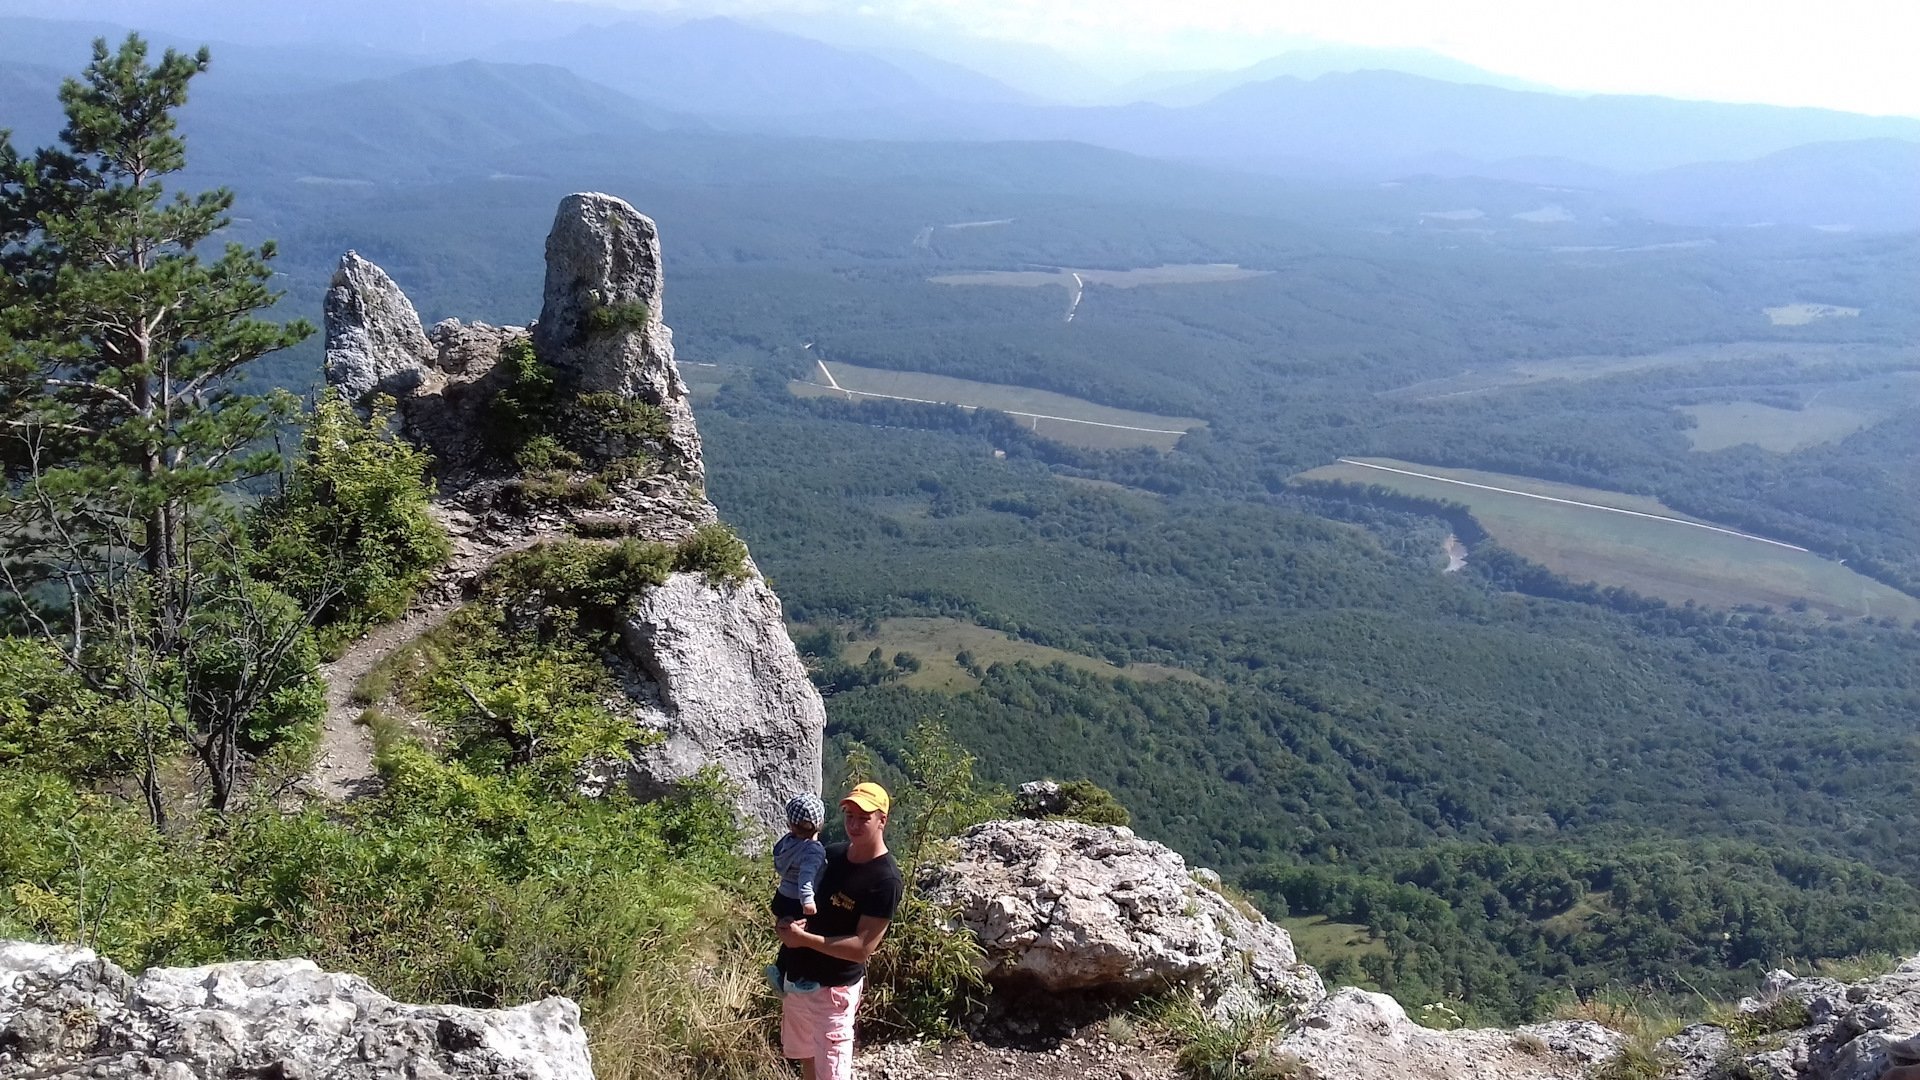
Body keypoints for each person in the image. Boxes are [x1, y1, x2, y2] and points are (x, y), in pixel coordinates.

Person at [774, 781, 903, 1080]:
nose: (854, 825)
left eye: (864, 818)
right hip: (798, 977)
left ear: (882, 820)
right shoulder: (829, 855)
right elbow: (795, 893)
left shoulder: (885, 880)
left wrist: (803, 939)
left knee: (831, 1072)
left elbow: (861, 948)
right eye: (849, 816)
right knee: (805, 1058)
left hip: (834, 990)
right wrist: (786, 923)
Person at [765, 792, 828, 995]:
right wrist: (808, 901)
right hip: (797, 902)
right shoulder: (813, 850)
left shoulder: (787, 842)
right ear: (819, 822)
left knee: (789, 939)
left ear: (791, 824)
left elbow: (778, 857)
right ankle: (796, 978)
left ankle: (779, 970)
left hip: (782, 897)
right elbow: (806, 878)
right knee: (800, 940)